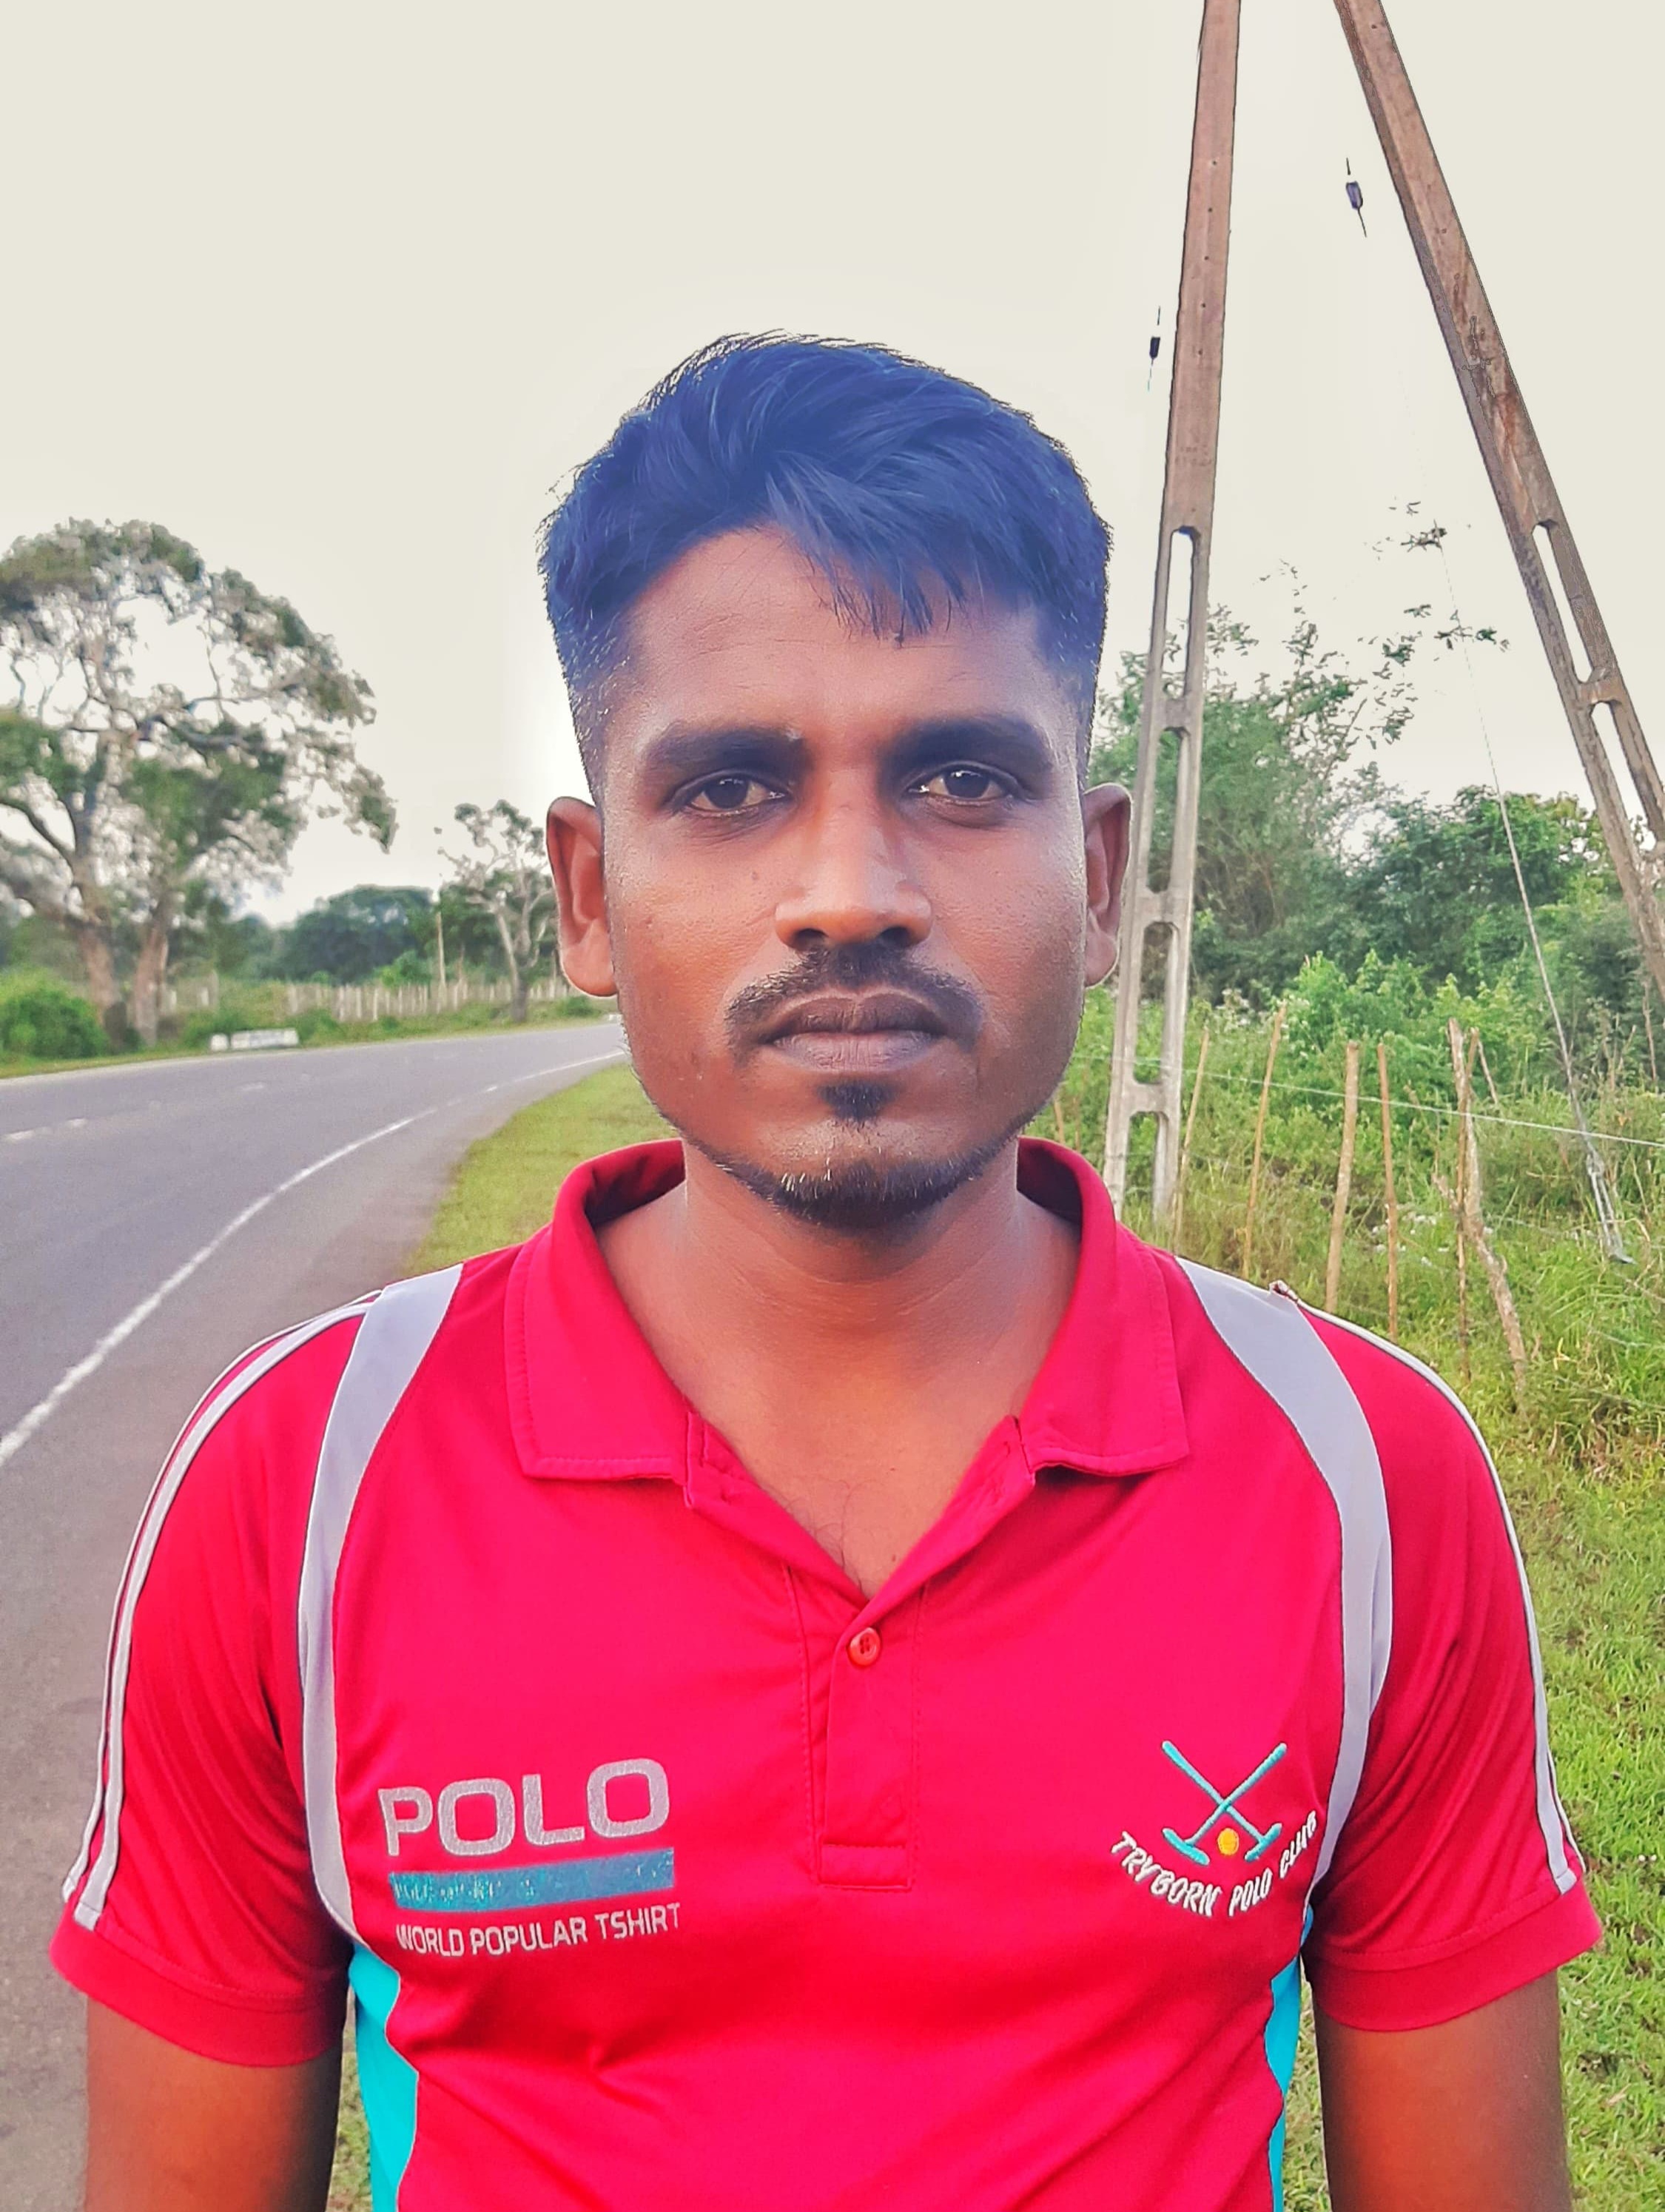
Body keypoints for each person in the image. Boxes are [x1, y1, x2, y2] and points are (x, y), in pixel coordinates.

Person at [56, 335, 1598, 2212]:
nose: (850, 886)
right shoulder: (298, 1491)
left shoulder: (1372, 1484)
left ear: (1099, 876)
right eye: (727, 787)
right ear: (587, 896)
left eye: (960, 775)